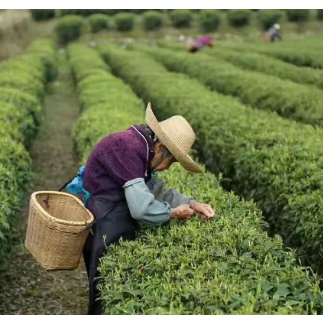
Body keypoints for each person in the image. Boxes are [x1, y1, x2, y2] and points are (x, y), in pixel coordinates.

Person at [68, 103, 215, 315]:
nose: (166, 168)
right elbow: (140, 208)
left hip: (111, 207)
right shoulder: (127, 147)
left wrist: (193, 203)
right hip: (103, 211)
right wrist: (172, 213)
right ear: (161, 149)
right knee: (104, 277)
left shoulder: (143, 146)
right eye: (171, 162)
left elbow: (154, 189)